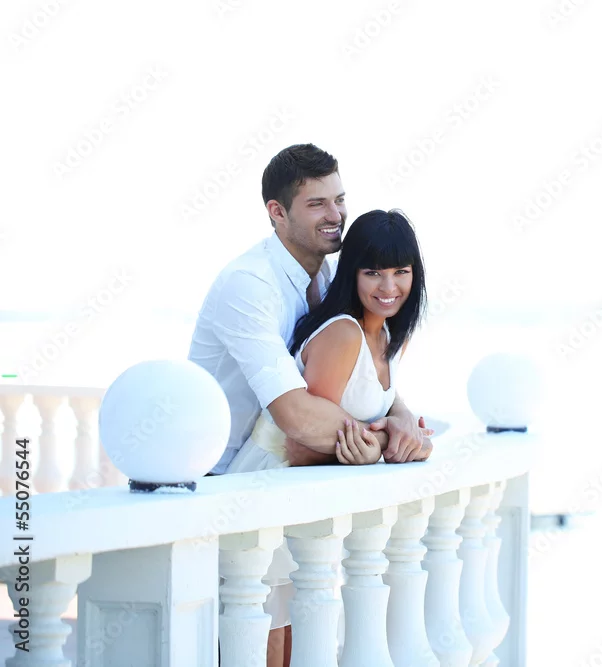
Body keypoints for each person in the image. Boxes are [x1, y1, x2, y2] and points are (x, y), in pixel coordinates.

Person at [187, 144, 430, 666]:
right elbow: (295, 416)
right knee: (252, 640)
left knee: (297, 633)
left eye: (339, 199)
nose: (335, 214)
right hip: (222, 479)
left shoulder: (327, 275)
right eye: (317, 203)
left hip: (284, 478)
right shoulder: (250, 285)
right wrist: (381, 441)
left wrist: (403, 419)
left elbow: (362, 376)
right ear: (277, 212)